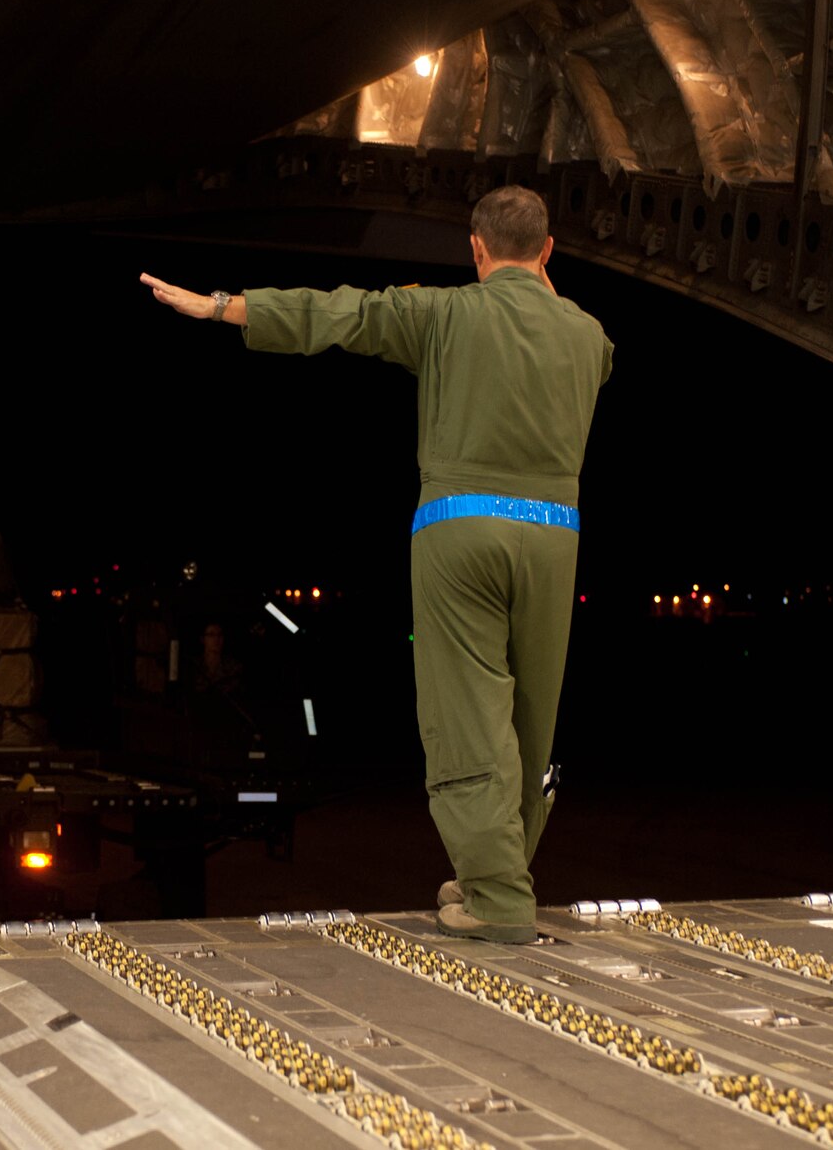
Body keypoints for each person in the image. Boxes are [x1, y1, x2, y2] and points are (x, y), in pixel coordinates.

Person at [141, 184, 612, 943]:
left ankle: (497, 900)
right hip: (556, 535)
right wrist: (536, 284)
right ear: (549, 252)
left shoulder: (444, 315)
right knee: (531, 719)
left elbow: (340, 314)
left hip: (461, 530)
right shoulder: (589, 336)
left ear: (476, 248)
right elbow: (551, 316)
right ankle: (500, 874)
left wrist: (221, 306)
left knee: (469, 713)